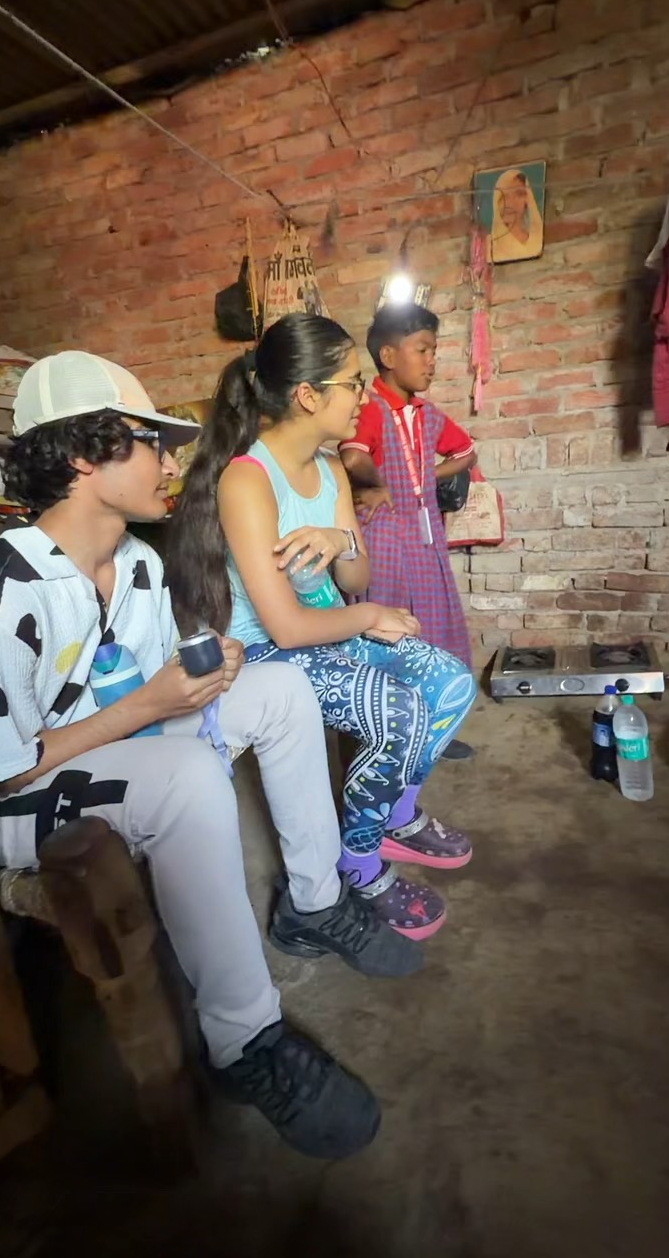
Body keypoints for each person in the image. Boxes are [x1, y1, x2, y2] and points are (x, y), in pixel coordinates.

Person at [0, 350, 423, 1162]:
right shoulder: (11, 582)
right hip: (34, 793)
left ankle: (316, 900)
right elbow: (1, 766)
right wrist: (149, 704)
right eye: (148, 441)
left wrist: (211, 664)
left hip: (132, 744)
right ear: (84, 456)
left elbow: (164, 683)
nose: (170, 459)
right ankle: (245, 1039)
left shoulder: (143, 565)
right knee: (187, 777)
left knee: (278, 688)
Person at [167, 314, 478, 943]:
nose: (362, 396)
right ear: (309, 395)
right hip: (266, 652)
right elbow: (283, 628)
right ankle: (359, 863)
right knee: (399, 713)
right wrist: (366, 618)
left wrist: (338, 539)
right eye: (353, 383)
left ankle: (392, 815)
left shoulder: (333, 468)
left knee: (449, 683)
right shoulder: (246, 480)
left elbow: (357, 577)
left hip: (327, 627)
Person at [338, 303, 476, 761]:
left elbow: (467, 452)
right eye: (423, 349)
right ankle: (390, 734)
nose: (432, 360)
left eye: (434, 350)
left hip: (425, 536)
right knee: (391, 628)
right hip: (384, 541)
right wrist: (378, 484)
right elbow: (352, 455)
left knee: (433, 625)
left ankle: (435, 727)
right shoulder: (371, 407)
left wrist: (423, 478)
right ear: (389, 355)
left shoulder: (428, 414)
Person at [490, 168, 544, 263]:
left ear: (527, 200)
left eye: (519, 194)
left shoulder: (539, 240)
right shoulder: (485, 248)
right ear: (496, 201)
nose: (510, 203)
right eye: (504, 196)